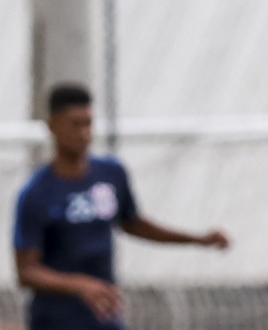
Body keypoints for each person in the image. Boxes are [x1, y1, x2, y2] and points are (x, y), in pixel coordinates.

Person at [12, 83, 230, 330]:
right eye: (75, 124)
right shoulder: (36, 192)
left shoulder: (111, 173)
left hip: (104, 313)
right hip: (55, 319)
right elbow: (27, 271)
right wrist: (81, 285)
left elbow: (133, 222)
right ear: (52, 125)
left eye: (88, 123)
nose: (83, 133)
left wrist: (197, 239)